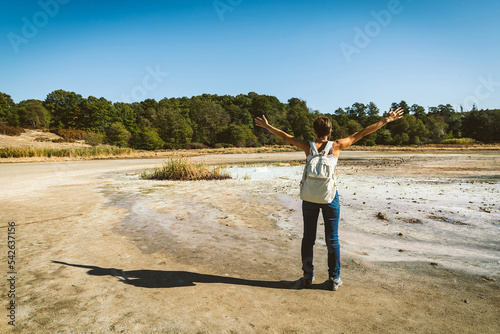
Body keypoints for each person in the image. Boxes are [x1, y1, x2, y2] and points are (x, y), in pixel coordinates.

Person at [254, 107, 404, 290]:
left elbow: (286, 136)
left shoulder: (307, 147)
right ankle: (334, 279)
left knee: (308, 238)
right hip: (330, 197)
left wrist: (268, 126)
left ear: (315, 131)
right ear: (330, 132)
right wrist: (386, 121)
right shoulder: (337, 146)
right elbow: (362, 133)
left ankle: (308, 276)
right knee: (332, 238)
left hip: (309, 197)